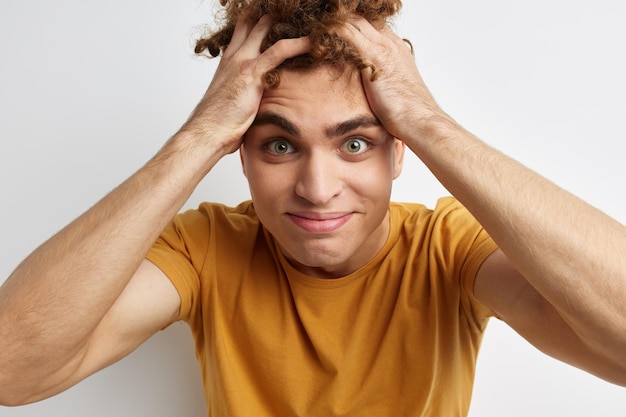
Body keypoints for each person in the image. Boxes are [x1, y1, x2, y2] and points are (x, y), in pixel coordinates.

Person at [0, 0, 625, 416]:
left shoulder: (448, 248)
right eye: (279, 144)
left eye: (356, 143)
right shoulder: (207, 248)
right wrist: (195, 138)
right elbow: (10, 369)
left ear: (399, 152)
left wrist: (431, 122)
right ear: (239, 153)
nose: (318, 187)